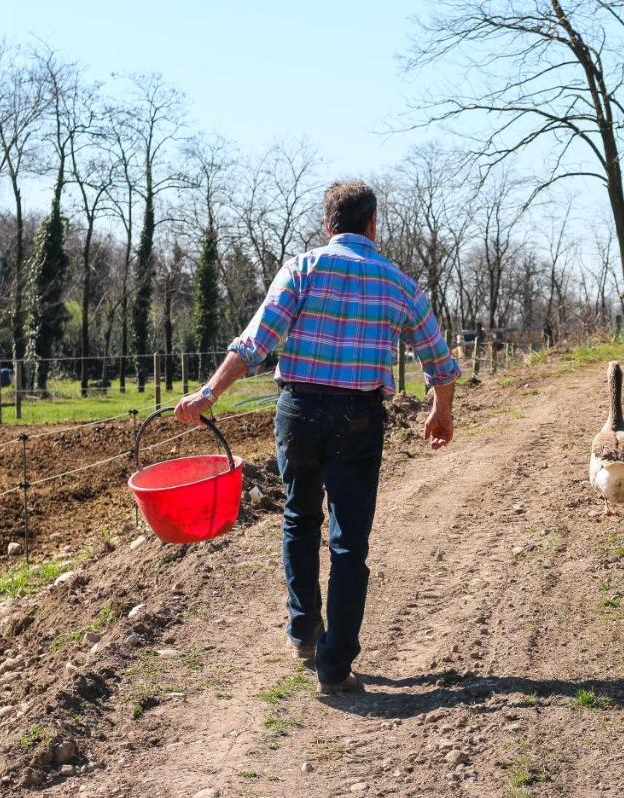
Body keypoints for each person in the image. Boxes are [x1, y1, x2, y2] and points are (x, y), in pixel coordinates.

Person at [175, 180, 460, 695]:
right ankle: (334, 667)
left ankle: (304, 630)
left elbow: (255, 342)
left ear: (329, 226)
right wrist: (441, 413)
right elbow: (440, 362)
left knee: (299, 518)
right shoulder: (398, 283)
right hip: (358, 418)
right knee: (350, 541)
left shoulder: (302, 269)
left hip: (299, 411)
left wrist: (208, 394)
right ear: (373, 225)